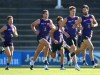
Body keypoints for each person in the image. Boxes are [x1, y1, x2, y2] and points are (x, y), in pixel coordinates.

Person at [60, 6, 80, 71]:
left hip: (75, 37)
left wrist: (79, 31)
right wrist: (65, 33)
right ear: (70, 11)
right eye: (72, 11)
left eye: (74, 11)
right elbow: (61, 27)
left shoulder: (77, 18)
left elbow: (80, 27)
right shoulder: (66, 19)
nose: (74, 12)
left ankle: (72, 61)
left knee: (74, 50)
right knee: (73, 47)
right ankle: (76, 65)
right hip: (68, 37)